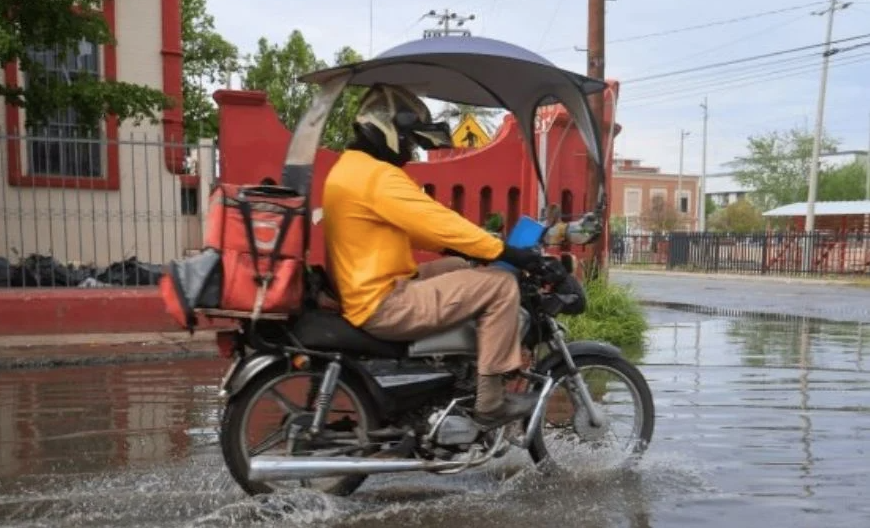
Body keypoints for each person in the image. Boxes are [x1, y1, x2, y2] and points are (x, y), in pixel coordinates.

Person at [321, 83, 545, 429]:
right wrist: (505, 252)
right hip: (384, 301)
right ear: (388, 131)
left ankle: (451, 371)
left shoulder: (351, 168)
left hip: (370, 287)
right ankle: (490, 401)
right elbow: (437, 220)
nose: (410, 151)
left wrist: (460, 249)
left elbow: (415, 227)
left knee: (459, 266)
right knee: (500, 286)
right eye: (409, 140)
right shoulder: (377, 176)